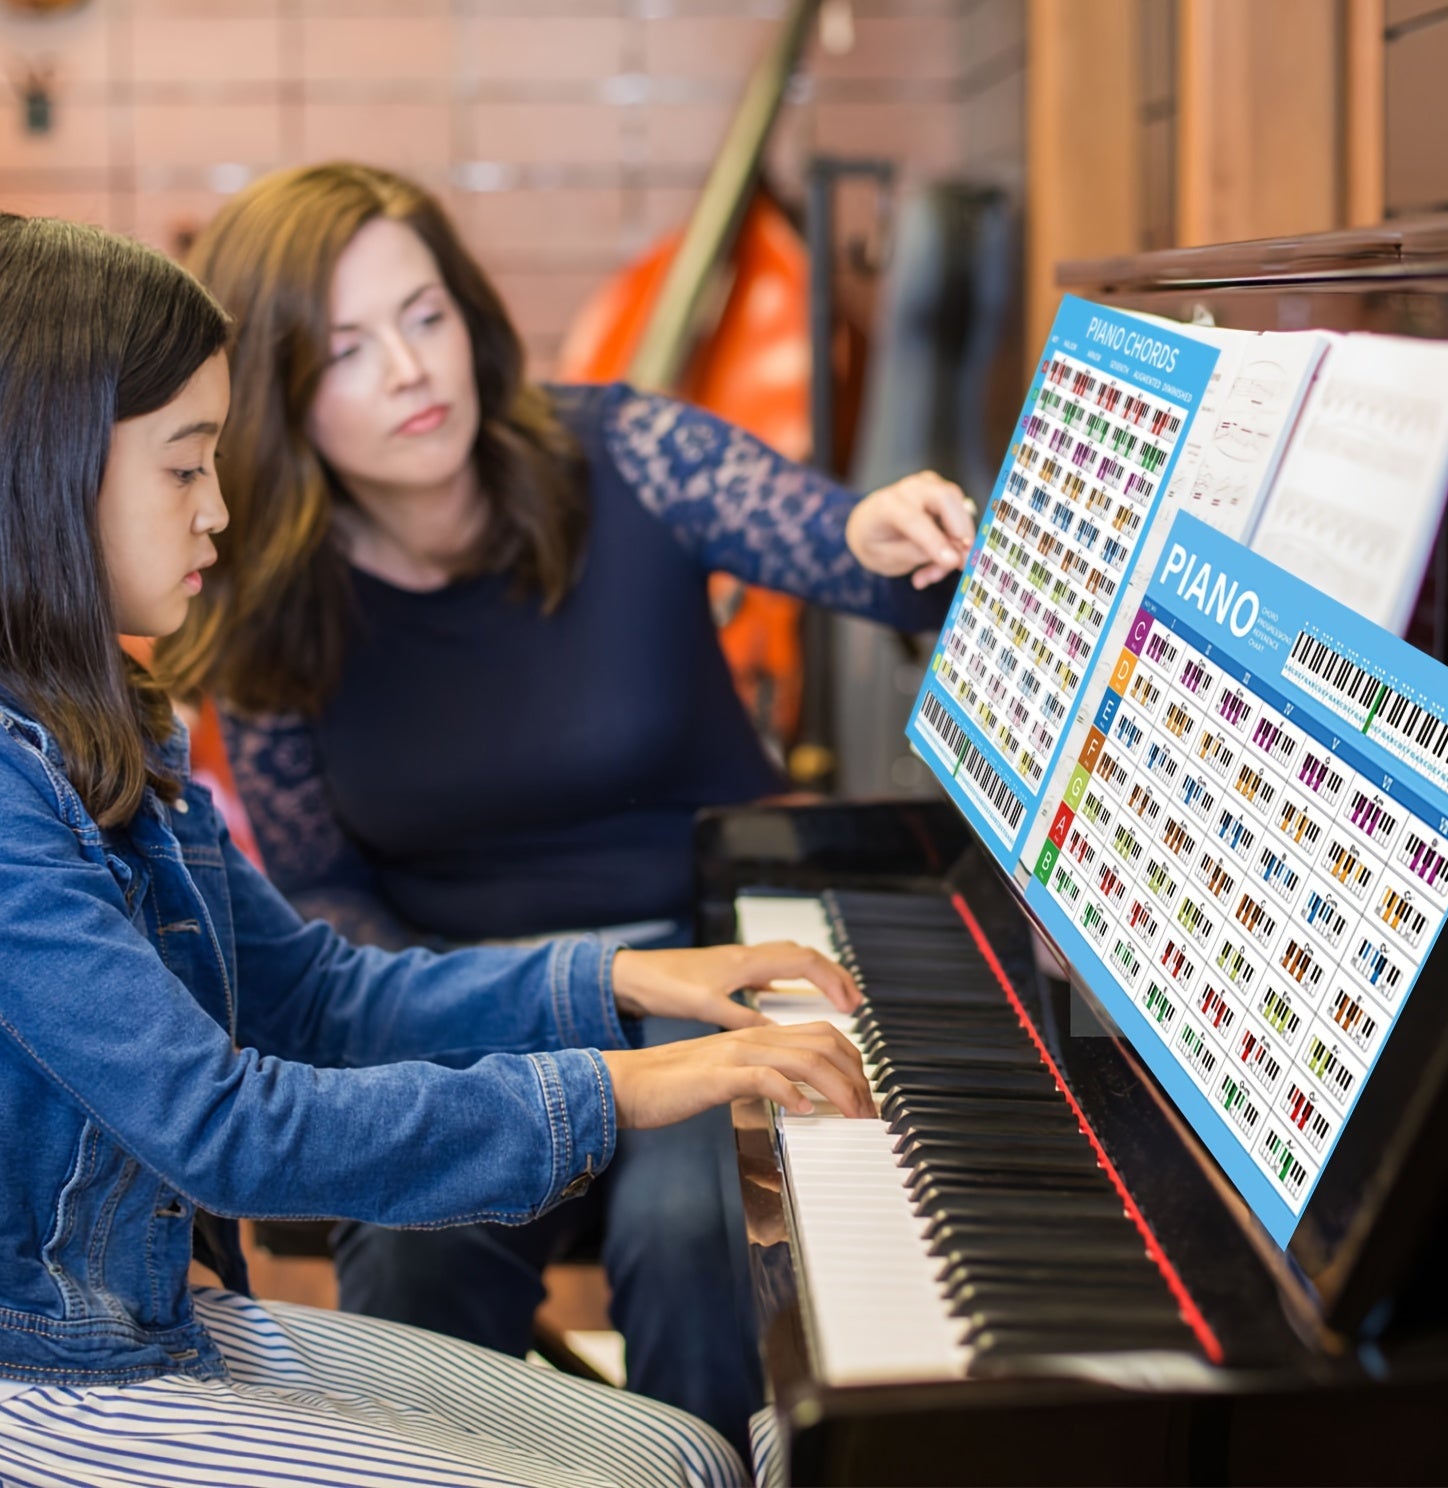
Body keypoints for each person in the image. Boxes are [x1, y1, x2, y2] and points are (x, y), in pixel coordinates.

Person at [0, 210, 877, 1488]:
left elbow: (316, 993)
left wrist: (628, 982)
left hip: (142, 1317)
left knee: (694, 1456)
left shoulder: (112, 722)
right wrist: (634, 1083)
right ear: (41, 479)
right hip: (36, 1374)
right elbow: (226, 1126)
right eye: (184, 468)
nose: (221, 512)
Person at [158, 162, 975, 1449]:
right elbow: (325, 898)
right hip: (468, 1007)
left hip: (715, 961)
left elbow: (844, 546)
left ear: (469, 313)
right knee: (412, 1256)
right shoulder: (265, 601)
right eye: (346, 351)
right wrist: (485, 1031)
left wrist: (883, 532)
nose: (411, 373)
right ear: (273, 391)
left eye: (425, 318)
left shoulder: (627, 451)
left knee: (697, 1230)